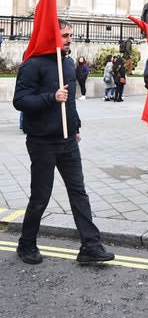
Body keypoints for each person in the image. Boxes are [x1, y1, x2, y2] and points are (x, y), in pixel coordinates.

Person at [13, 20, 115, 265]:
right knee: (41, 196)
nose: (70, 38)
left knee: (79, 192)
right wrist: (51, 97)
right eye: (65, 35)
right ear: (51, 36)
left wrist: (75, 126)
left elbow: (70, 102)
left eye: (71, 34)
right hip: (41, 142)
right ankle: (26, 244)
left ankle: (90, 246)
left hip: (68, 140)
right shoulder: (32, 64)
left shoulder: (67, 63)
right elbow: (20, 100)